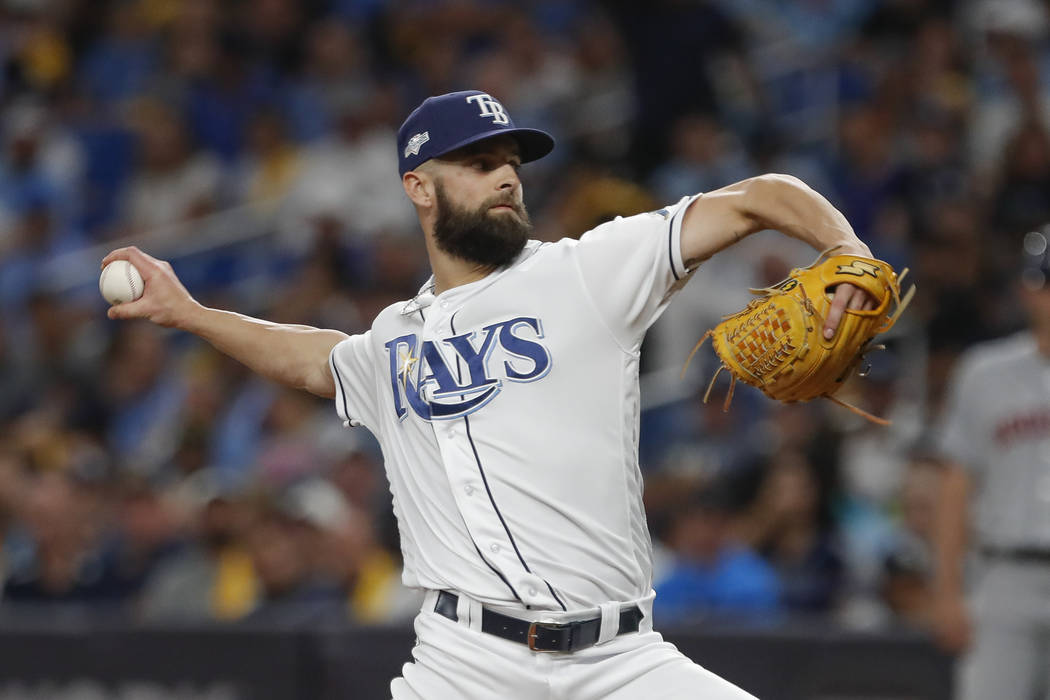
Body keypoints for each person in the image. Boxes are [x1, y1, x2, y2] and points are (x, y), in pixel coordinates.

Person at [102, 90, 876, 699]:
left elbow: (756, 197)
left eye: (511, 159)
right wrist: (191, 314)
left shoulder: (586, 271)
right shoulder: (391, 339)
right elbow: (317, 361)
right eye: (476, 161)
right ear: (419, 186)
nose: (506, 174)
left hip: (621, 661)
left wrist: (845, 246)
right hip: (465, 666)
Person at [931, 226, 1050, 700]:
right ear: (1025, 288)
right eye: (1044, 281)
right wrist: (946, 591)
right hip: (1004, 575)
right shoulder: (984, 371)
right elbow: (955, 486)